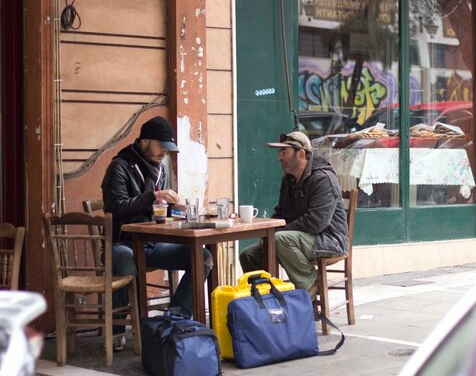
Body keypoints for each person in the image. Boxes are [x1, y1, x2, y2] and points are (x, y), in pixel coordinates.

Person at [101, 116, 212, 350]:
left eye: (168, 148)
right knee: (125, 261)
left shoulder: (160, 169)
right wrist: (153, 197)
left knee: (202, 257)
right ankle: (117, 330)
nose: (164, 152)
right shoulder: (119, 166)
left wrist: (176, 209)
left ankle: (174, 320)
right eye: (161, 146)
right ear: (145, 141)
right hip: (124, 243)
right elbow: (116, 208)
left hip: (153, 244)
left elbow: (161, 211)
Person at [239, 131, 348, 298]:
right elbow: (281, 212)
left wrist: (278, 232)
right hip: (300, 238)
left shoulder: (323, 178)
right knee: (249, 255)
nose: (279, 158)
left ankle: (311, 283)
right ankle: (268, 299)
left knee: (279, 239)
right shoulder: (288, 179)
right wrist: (269, 230)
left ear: (301, 153)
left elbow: (316, 222)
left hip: (329, 239)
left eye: (285, 152)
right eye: (279, 152)